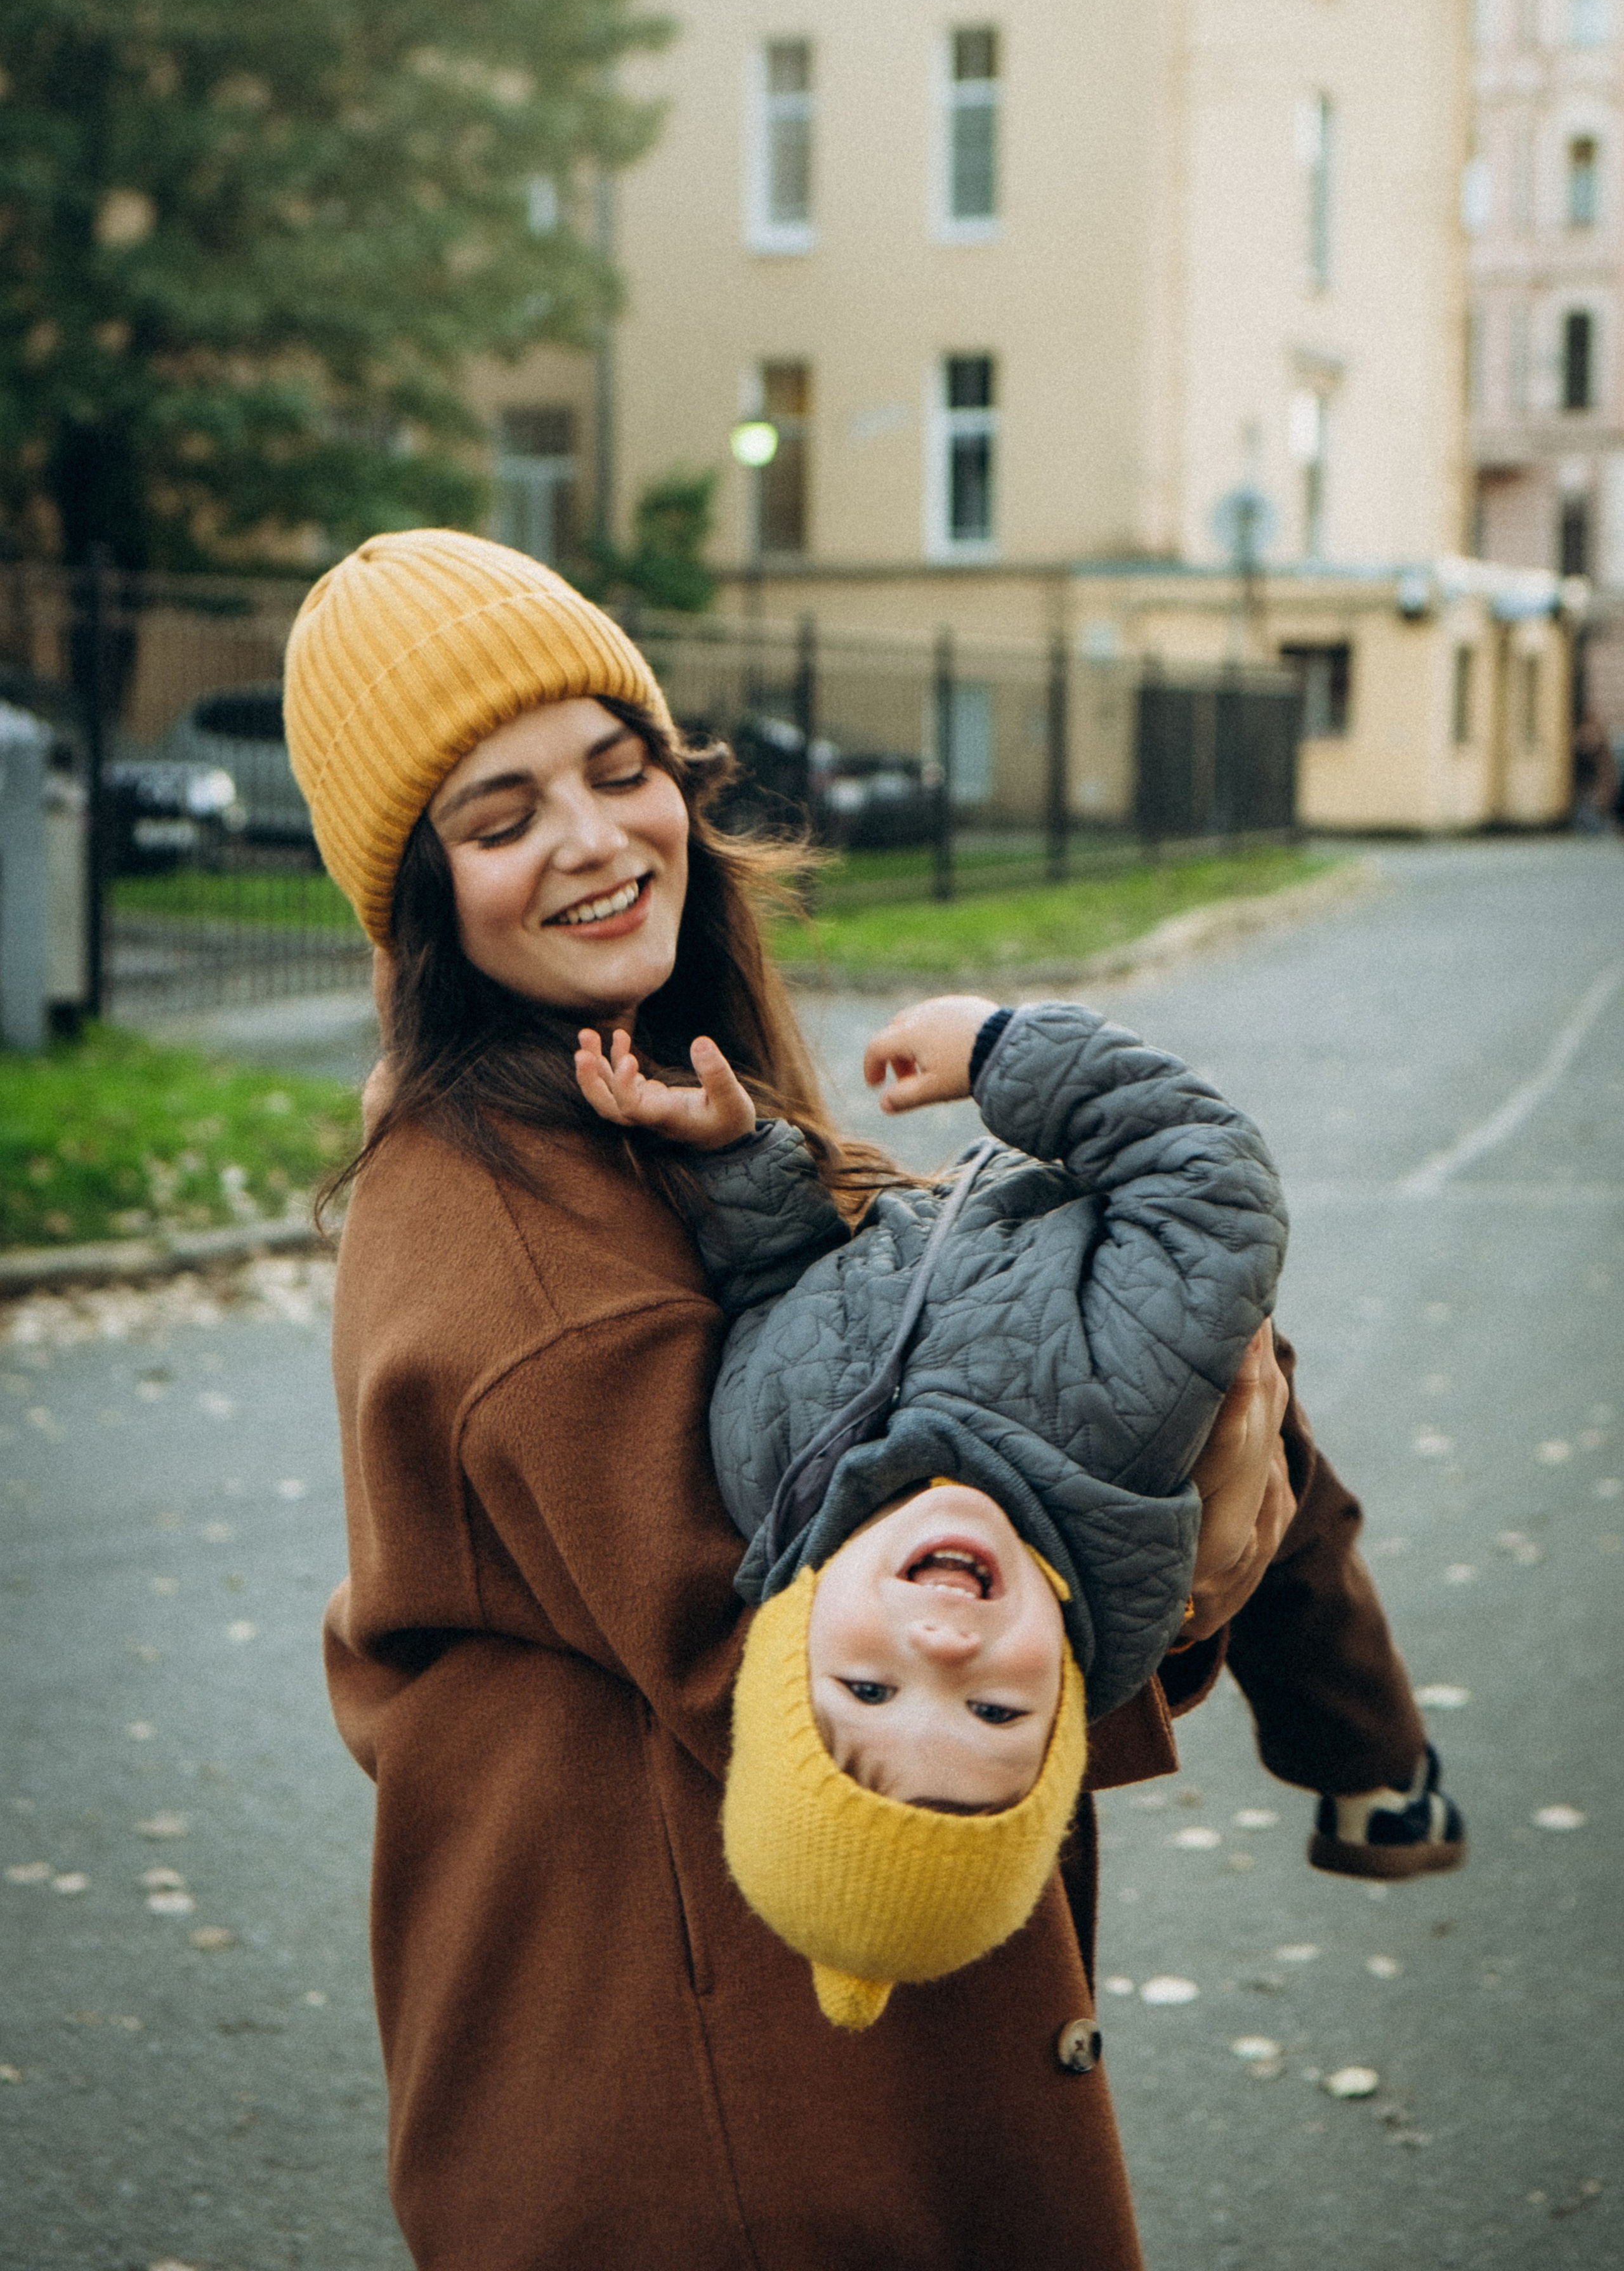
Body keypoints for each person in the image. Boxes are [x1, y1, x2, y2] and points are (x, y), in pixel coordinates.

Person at [285, 528, 1337, 2269]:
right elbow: (802, 1635)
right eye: (501, 818)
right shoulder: (514, 1249)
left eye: (620, 774)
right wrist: (1197, 1556)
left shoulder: (635, 1115)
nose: (593, 840)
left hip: (762, 2028)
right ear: (423, 899)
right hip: (716, 2110)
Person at [573, 996, 1464, 2027]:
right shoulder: (1120, 1414)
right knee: (1298, 1526)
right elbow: (1209, 1181)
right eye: (993, 1714)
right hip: (1128, 1265)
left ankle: (1376, 1777)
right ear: (1062, 1722)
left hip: (971, 1228)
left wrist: (733, 1161)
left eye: (867, 1689)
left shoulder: (764, 1468)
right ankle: (1379, 1771)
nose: (943, 1649)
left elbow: (779, 1283)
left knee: (1303, 1529)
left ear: (786, 1642)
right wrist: (1009, 1053)